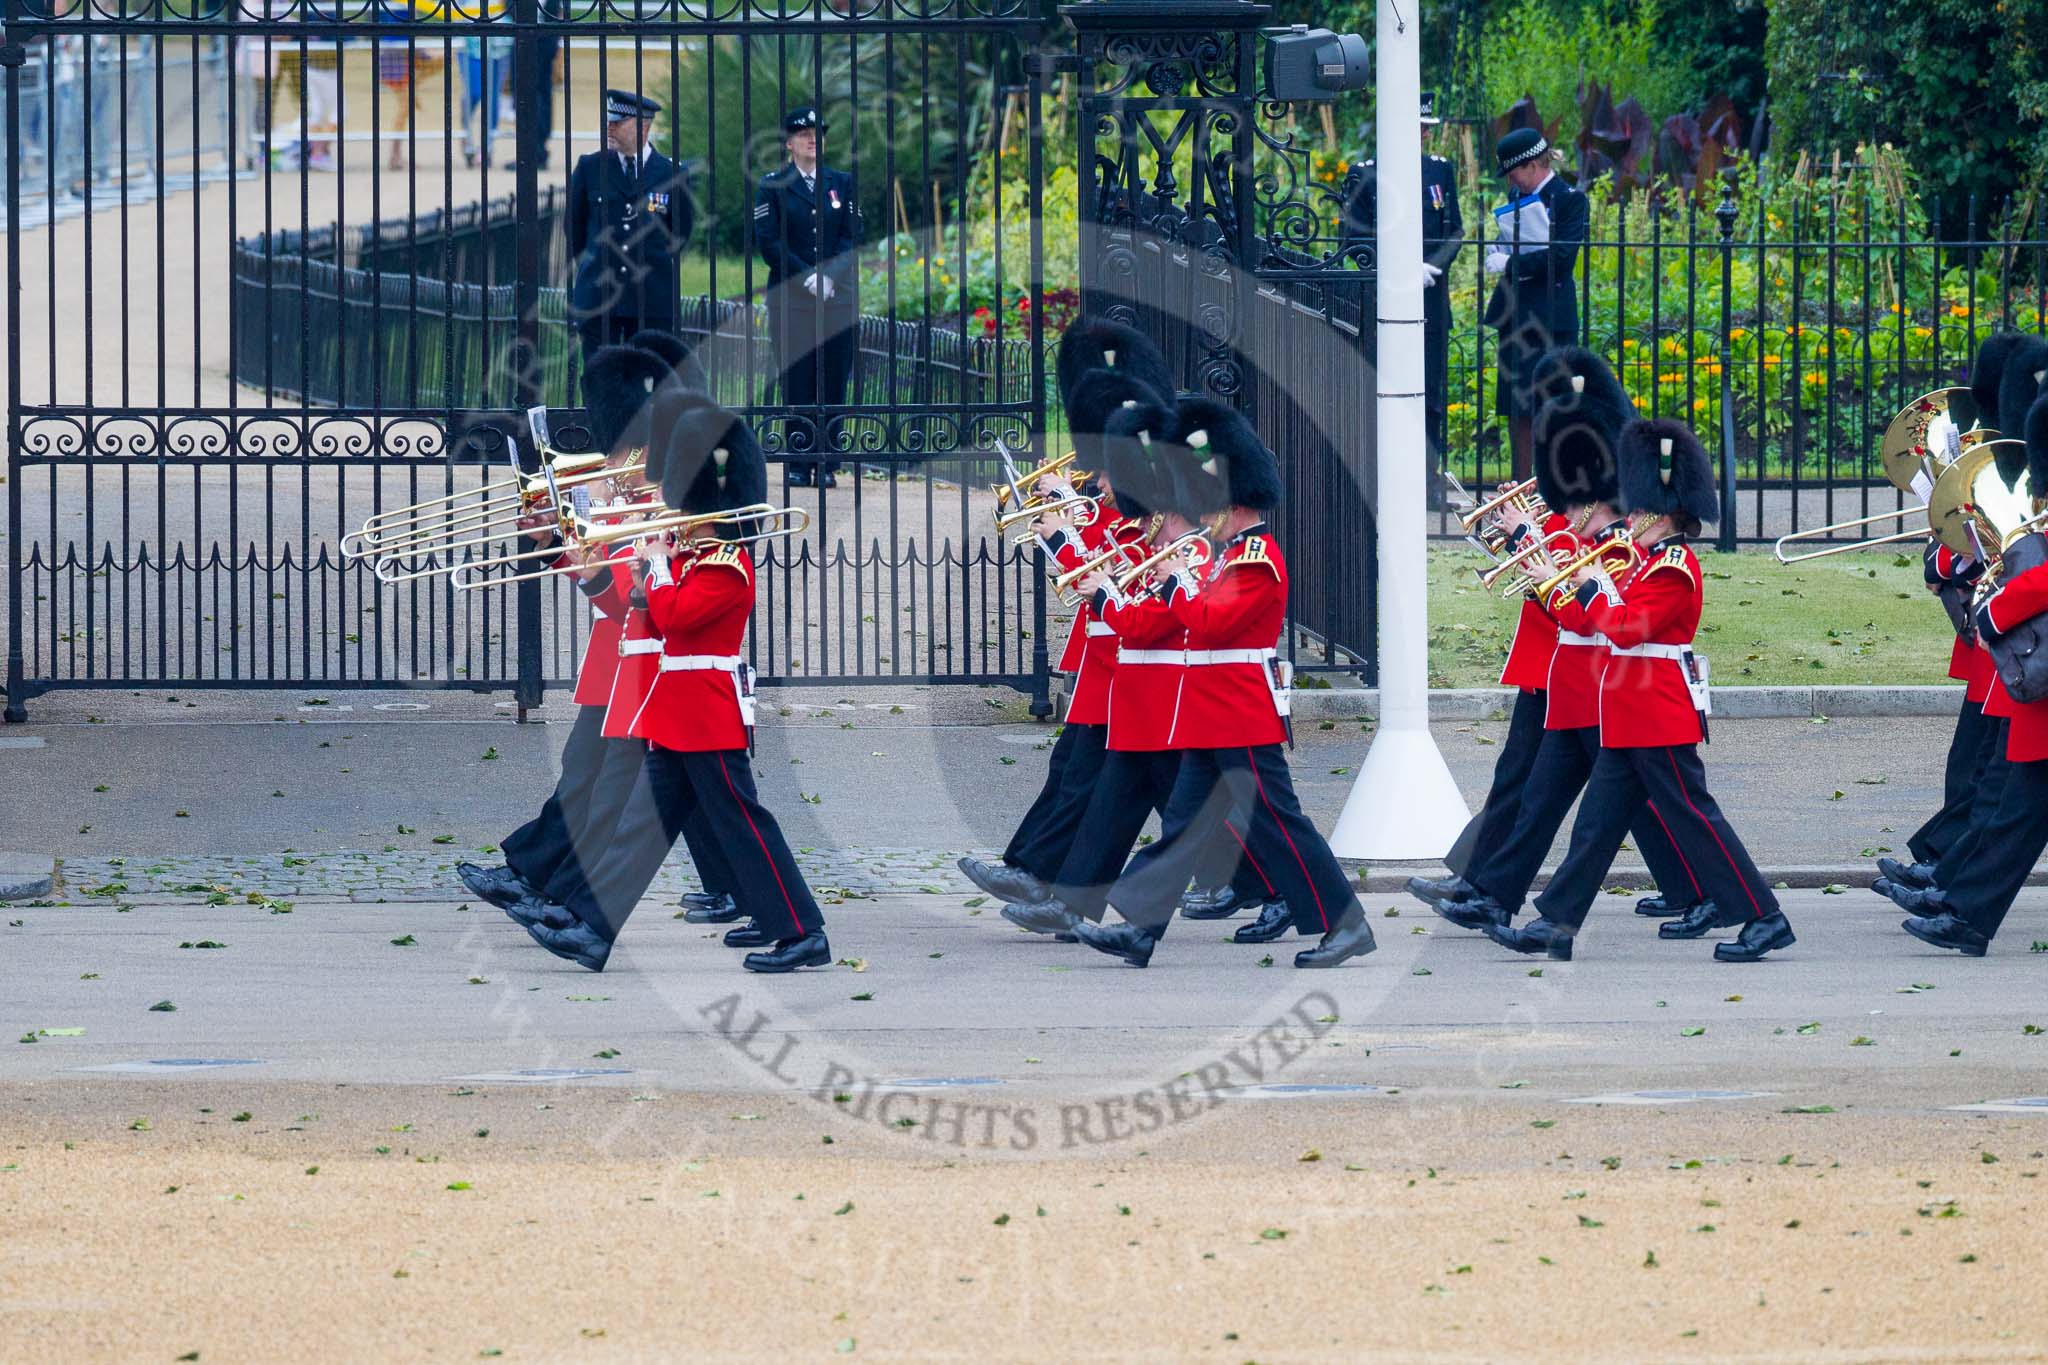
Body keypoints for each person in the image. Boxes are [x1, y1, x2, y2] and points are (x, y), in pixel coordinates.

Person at [1061, 397, 1377, 969]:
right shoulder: (1227, 556)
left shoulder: (1256, 559)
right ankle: (1138, 930)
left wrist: (1174, 581)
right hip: (1211, 715)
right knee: (1182, 826)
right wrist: (1177, 579)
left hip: (1239, 713)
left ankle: (1346, 924)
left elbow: (1208, 623)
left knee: (1280, 821)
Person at [525, 405, 834, 974]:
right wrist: (638, 574)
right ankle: (591, 929)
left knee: (745, 825)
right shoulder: (692, 557)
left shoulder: (725, 564)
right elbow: (644, 612)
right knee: (639, 831)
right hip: (675, 716)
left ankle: (803, 932)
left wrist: (658, 569)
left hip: (707, 718)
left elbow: (676, 618)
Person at [1412, 348, 1712, 932]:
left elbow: (1586, 611)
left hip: (1597, 680)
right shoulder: (1573, 527)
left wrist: (1533, 544)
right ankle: (1490, 889)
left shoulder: (1613, 543)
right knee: (1546, 791)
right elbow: (1553, 572)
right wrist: (1522, 538)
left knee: (1627, 800)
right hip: (1562, 675)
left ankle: (1697, 890)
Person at [1486, 416, 1795, 963]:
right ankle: (1554, 924)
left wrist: (1587, 587)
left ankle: (1764, 917)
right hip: (1626, 716)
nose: (1627, 518)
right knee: (1595, 828)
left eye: (1636, 510)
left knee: (1697, 819)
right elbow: (1598, 618)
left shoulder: (1674, 568)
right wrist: (1571, 581)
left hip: (1657, 714)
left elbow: (1627, 628)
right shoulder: (1642, 563)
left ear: (1662, 513)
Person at [456, 344, 672, 919]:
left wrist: (586, 554)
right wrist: (552, 540)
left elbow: (630, 598)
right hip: (614, 660)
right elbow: (598, 580)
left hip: (648, 665)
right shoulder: (621, 491)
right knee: (584, 775)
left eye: (626, 449)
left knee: (627, 792)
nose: (615, 459)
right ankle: (531, 879)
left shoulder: (662, 503)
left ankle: (556, 893)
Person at [1340, 89, 1461, 505]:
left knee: (1430, 397)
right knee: (1383, 392)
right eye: (1417, 128)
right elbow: (1353, 239)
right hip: (1385, 302)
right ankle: (1382, 480)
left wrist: (1432, 266)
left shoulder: (1439, 171)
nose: (1423, 136)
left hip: (1430, 300)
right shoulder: (1366, 174)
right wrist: (1399, 270)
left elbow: (1455, 230)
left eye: (1426, 129)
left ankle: (1428, 483)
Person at [754, 105, 863, 488]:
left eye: (817, 134)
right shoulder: (772, 185)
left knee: (833, 379)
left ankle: (827, 461)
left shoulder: (841, 182)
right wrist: (808, 277)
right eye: (803, 135)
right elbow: (770, 242)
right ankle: (799, 461)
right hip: (793, 298)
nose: (812, 140)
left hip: (837, 297)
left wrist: (830, 276)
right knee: (797, 377)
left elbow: (852, 236)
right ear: (789, 143)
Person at [1484, 128, 1588, 484]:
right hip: (1516, 315)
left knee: (1552, 406)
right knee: (1517, 408)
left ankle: (1552, 489)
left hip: (1551, 317)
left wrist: (1511, 263)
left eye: (1513, 172)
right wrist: (1499, 249)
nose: (1511, 181)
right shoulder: (1517, 196)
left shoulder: (1570, 199)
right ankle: (1520, 490)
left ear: (1532, 165)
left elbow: (1562, 259)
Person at [567, 89, 695, 367]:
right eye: (609, 121)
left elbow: (680, 233)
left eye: (618, 122)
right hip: (599, 295)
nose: (609, 127)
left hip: (651, 297)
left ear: (643, 126)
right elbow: (574, 228)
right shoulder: (590, 167)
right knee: (601, 377)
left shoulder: (671, 173)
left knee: (649, 377)